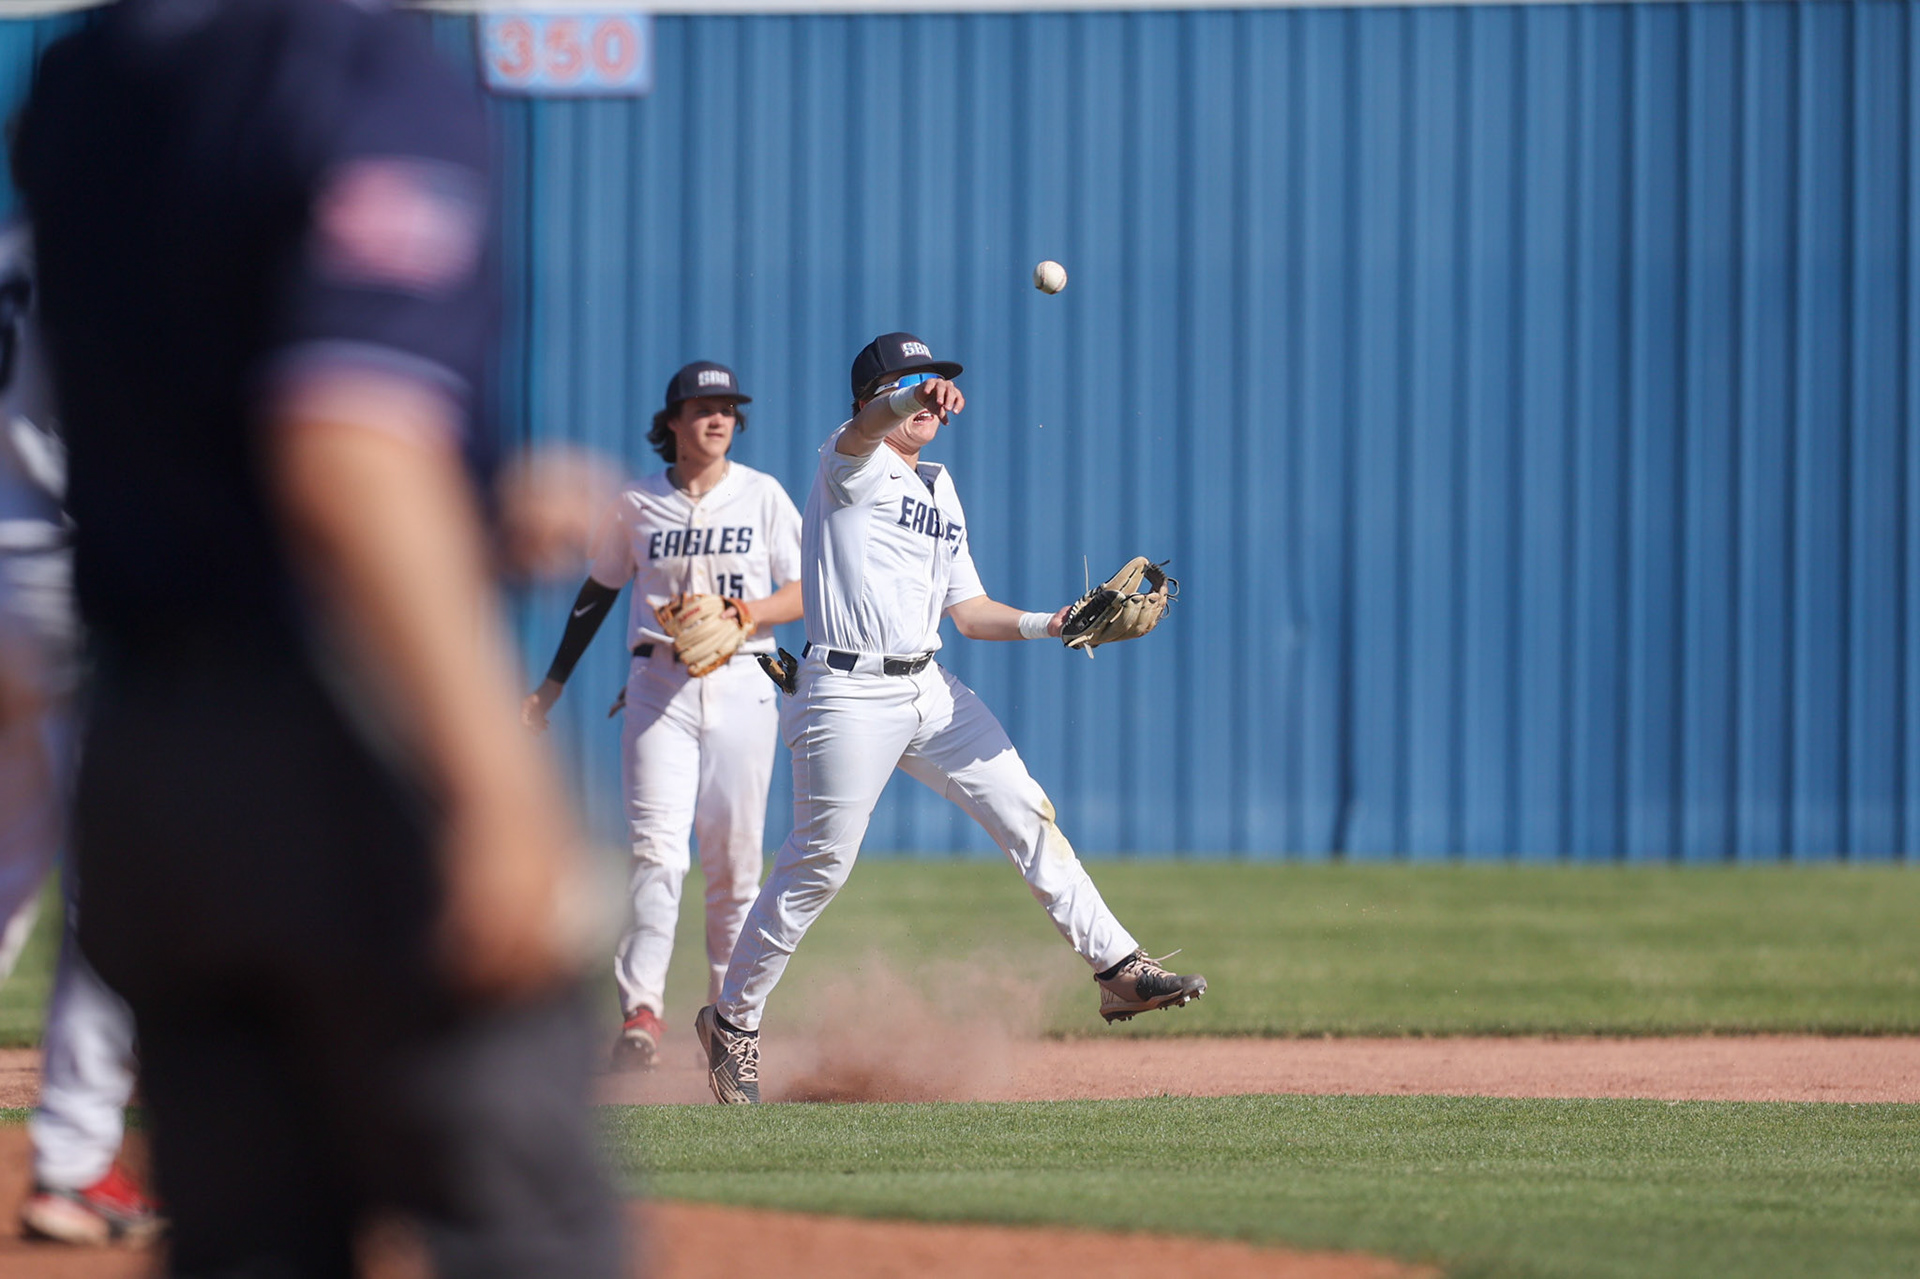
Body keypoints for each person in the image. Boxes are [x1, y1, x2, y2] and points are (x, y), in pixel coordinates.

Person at [14, 1, 622, 1273]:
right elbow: (345, 442)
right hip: (324, 729)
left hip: (146, 749)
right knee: (518, 1220)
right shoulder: (354, 66)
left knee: (250, 1240)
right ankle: (75, 1154)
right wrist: (499, 787)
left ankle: (78, 1153)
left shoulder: (89, 78)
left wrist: (464, 492)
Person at [695, 331, 1207, 1104]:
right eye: (910, 382)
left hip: (930, 687)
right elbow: (867, 427)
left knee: (1027, 809)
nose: (930, 391)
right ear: (874, 397)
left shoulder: (939, 486)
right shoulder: (849, 465)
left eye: (934, 380)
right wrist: (906, 397)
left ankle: (1119, 969)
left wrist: (1054, 621)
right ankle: (732, 1021)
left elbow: (968, 612)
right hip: (847, 691)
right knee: (818, 866)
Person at [524, 360, 802, 1071]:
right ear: (672, 422)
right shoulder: (635, 503)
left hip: (744, 681)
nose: (718, 418)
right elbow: (596, 593)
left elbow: (807, 588)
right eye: (703, 406)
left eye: (728, 408)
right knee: (655, 851)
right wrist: (550, 687)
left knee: (735, 860)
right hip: (657, 687)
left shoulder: (763, 496)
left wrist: (747, 613)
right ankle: (641, 1011)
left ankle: (729, 1013)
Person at [0, 222, 154, 1246]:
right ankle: (74, 1159)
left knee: (8, 857)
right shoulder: (135, 232)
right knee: (120, 873)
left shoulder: (11, 244)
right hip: (77, 578)